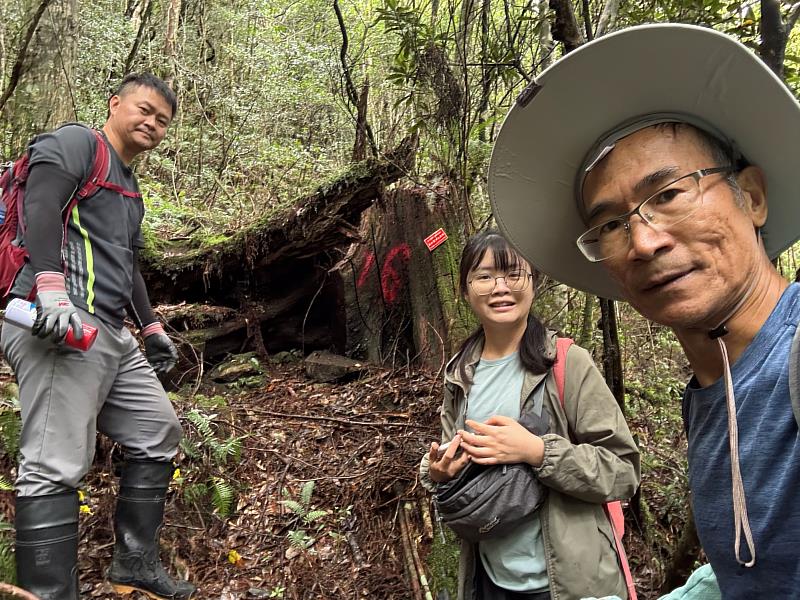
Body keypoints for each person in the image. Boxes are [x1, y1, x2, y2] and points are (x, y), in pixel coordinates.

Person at [488, 24, 800, 598]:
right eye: (610, 224)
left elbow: (617, 470)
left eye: (670, 194)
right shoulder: (713, 390)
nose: (644, 242)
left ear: (751, 196)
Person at [1, 73, 194, 599]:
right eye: (144, 110)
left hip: (109, 333)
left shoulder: (129, 189)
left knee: (157, 430)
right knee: (54, 463)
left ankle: (134, 563)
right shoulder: (77, 145)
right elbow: (40, 206)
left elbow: (126, 263)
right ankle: (48, 593)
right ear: (116, 104)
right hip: (60, 323)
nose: (151, 123)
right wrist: (50, 290)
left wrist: (150, 325)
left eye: (162, 120)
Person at [419, 230, 640, 600]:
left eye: (513, 274)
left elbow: (623, 472)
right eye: (485, 276)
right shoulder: (460, 374)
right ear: (465, 289)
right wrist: (437, 471)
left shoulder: (569, 363)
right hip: (489, 578)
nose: (500, 287)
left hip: (569, 581)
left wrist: (538, 451)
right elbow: (447, 453)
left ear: (533, 283)